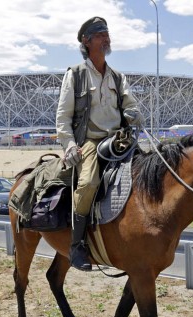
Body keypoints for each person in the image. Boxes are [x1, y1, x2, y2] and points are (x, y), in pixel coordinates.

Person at [56, 16, 143, 271]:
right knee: (89, 183)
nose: (106, 38)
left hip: (119, 139)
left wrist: (135, 114)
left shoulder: (117, 76)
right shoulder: (76, 75)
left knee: (149, 172)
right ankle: (77, 245)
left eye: (107, 34)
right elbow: (63, 117)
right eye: (100, 34)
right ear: (87, 41)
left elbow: (130, 105)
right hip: (91, 141)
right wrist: (70, 146)